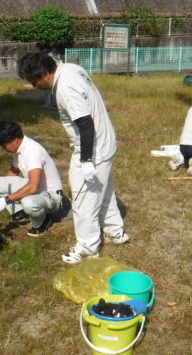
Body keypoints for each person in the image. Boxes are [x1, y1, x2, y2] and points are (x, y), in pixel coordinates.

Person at [18, 52, 129, 264]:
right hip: (104, 142)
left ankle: (88, 248)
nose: (34, 87)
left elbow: (86, 124)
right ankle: (116, 232)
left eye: (34, 82)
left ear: (45, 73)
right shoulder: (71, 68)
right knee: (102, 190)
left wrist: (86, 161)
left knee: (84, 199)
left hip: (92, 149)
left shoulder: (65, 87)